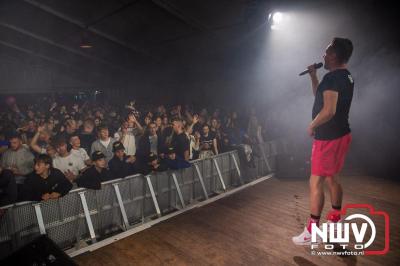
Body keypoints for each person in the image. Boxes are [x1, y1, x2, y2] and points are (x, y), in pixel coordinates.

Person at [292, 37, 354, 245]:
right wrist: (313, 76)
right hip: (342, 134)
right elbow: (321, 99)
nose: (323, 56)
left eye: (326, 53)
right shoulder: (345, 77)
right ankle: (335, 219)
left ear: (334, 56)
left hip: (327, 138)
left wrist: (312, 125)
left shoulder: (332, 79)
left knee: (315, 181)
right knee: (332, 178)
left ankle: (312, 232)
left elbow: (328, 110)